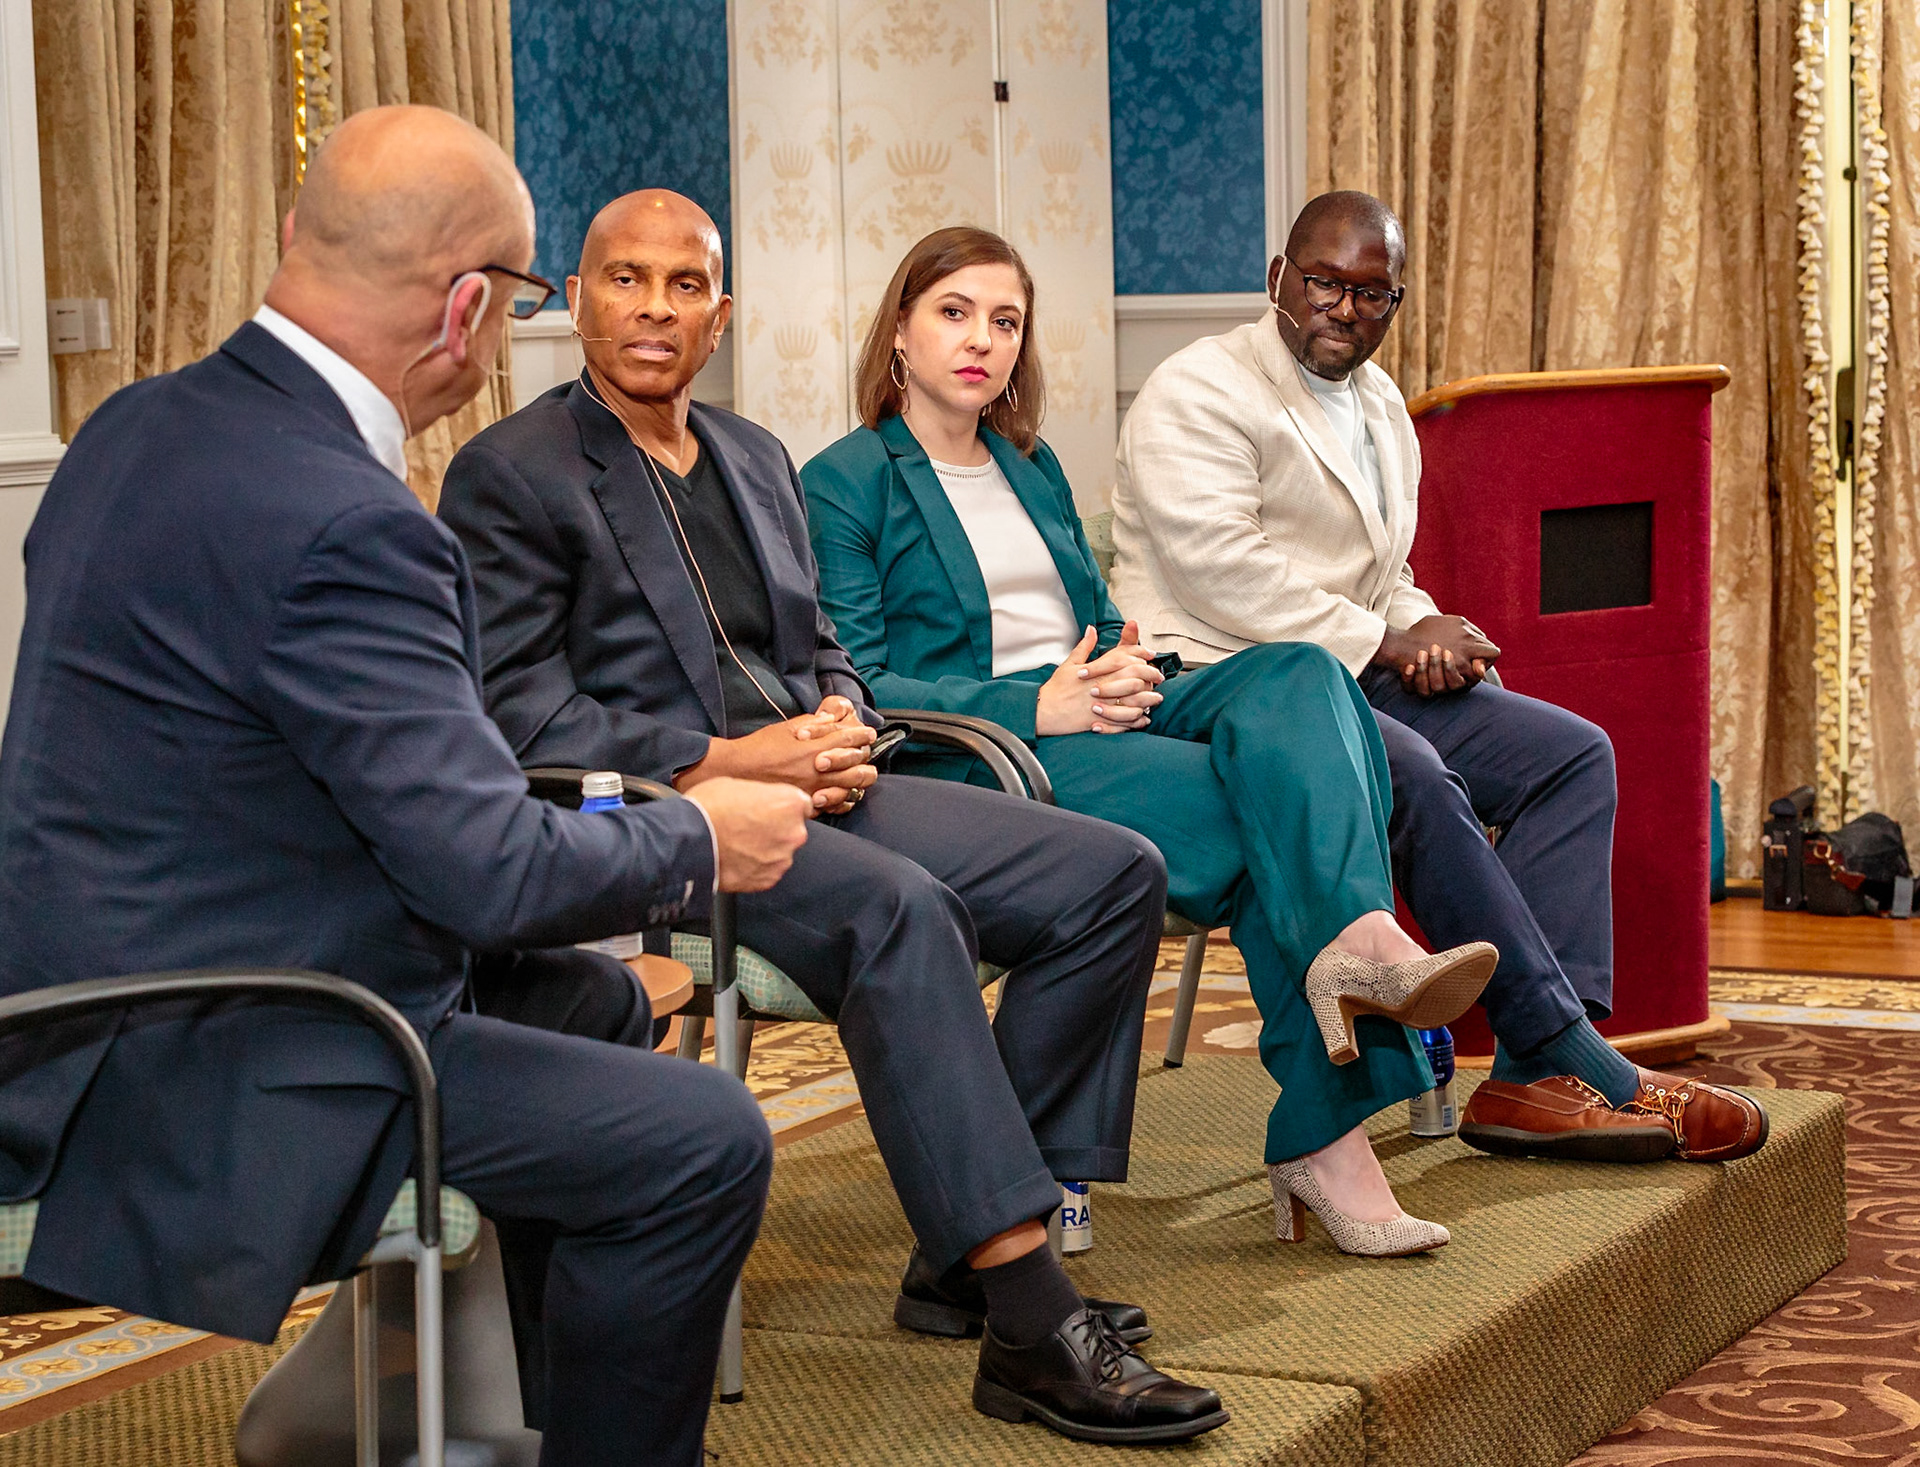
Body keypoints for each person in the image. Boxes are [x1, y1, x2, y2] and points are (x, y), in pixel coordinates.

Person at [0, 109, 813, 1465]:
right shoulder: (348, 518)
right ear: (463, 308)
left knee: (602, 997)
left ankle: (549, 1409)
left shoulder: (135, 425)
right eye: (528, 299)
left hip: (86, 992)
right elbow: (485, 868)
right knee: (705, 1135)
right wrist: (694, 836)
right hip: (221, 1044)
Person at [437, 189, 1228, 1447]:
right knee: (902, 913)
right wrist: (739, 760)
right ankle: (1030, 1313)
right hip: (661, 824)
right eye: (625, 280)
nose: (654, 307)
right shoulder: (513, 474)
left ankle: (961, 1253)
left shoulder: (752, 455)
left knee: (1113, 878)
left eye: (685, 285)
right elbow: (523, 718)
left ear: (720, 314)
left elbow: (822, 646)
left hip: (830, 787)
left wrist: (849, 726)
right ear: (577, 301)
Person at [802, 223, 1512, 1259]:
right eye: (954, 314)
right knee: (1260, 819)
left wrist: (1128, 664)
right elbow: (856, 683)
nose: (982, 340)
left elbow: (1094, 610)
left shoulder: (1029, 468)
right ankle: (1327, 1132)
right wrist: (1041, 704)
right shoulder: (846, 480)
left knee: (1303, 674)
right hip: (987, 752)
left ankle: (1358, 949)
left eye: (1006, 321)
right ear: (900, 334)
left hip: (1110, 707)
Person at [1110, 190, 1766, 1163]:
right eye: (1326, 282)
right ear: (1280, 279)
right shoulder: (1196, 390)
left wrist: (1427, 627)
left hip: (1350, 670)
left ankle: (1530, 1074)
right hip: (1228, 690)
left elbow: (1383, 577)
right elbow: (1223, 571)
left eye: (1372, 294)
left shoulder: (1380, 405)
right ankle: (1577, 1056)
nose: (1344, 309)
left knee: (1569, 756)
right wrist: (1388, 643)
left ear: (1396, 304)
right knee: (1408, 765)